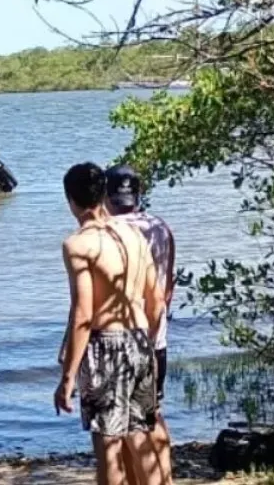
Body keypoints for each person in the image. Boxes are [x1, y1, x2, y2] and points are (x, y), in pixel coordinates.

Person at [54, 162, 170, 485]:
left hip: (105, 347)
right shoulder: (135, 236)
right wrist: (145, 345)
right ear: (104, 194)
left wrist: (66, 379)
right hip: (139, 341)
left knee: (108, 448)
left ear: (70, 200)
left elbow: (83, 315)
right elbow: (156, 300)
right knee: (141, 439)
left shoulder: (78, 245)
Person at [105, 164, 176, 485]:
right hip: (155, 337)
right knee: (152, 414)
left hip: (121, 340)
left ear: (106, 195)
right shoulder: (160, 227)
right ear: (139, 192)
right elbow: (166, 288)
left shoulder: (106, 232)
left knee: (120, 429)